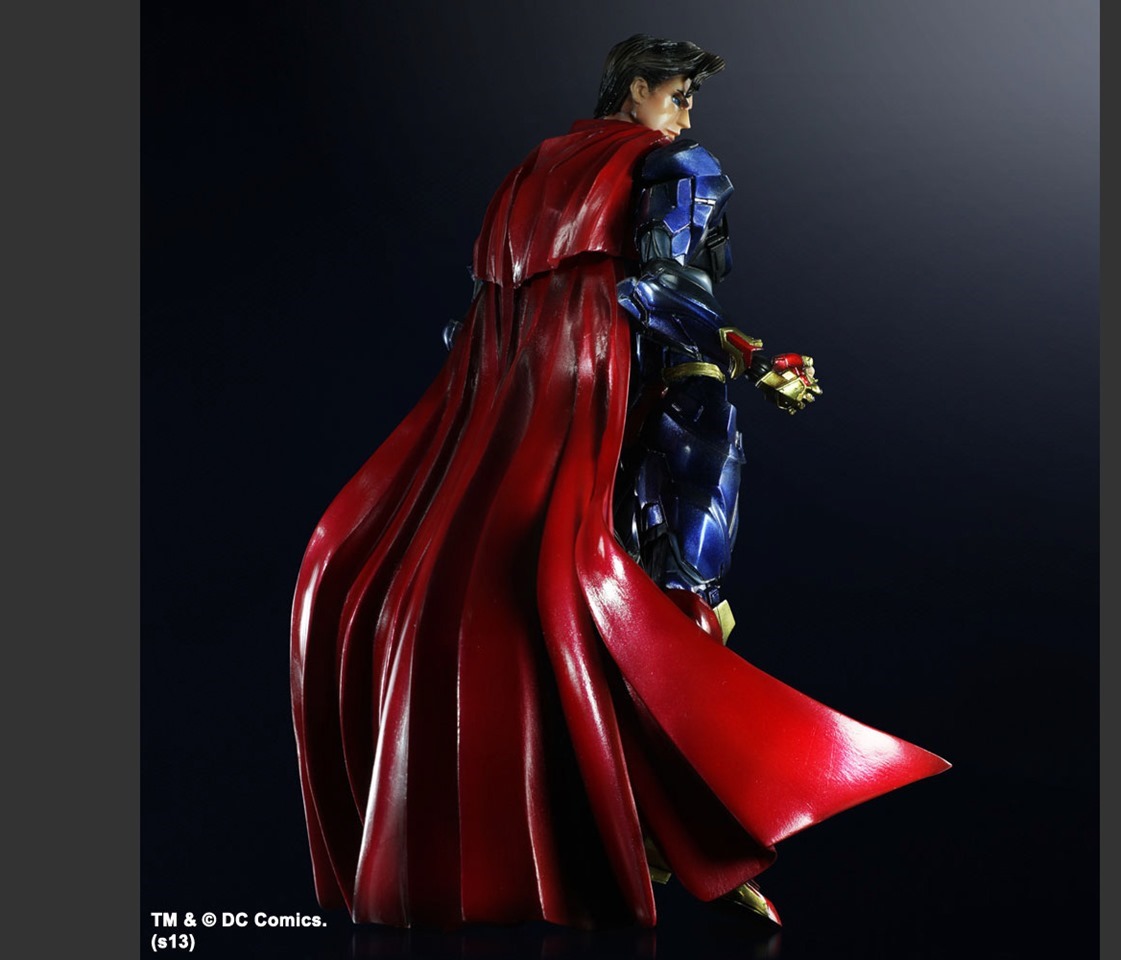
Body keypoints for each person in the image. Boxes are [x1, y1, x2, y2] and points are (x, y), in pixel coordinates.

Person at [290, 34, 948, 931]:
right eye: (677, 96)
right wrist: (749, 361)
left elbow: (481, 312)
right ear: (635, 90)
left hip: (517, 395)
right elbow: (665, 289)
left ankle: (627, 832)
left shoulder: (532, 172)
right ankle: (689, 830)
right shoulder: (678, 166)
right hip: (620, 387)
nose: (685, 116)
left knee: (527, 593)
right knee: (674, 590)